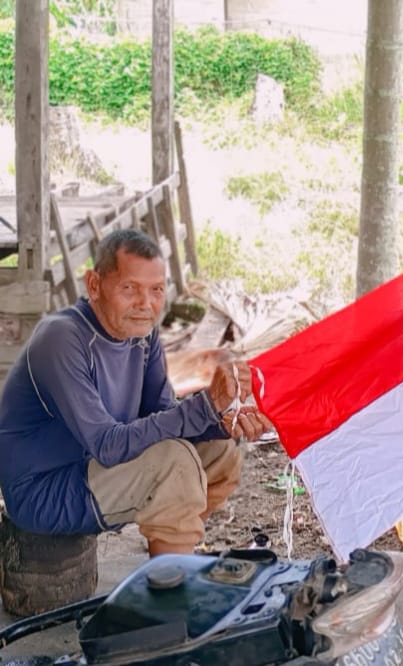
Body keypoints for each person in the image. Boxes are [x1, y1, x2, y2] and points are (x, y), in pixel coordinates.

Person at [0, 229, 271, 557]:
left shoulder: (142, 335)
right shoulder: (62, 338)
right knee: (174, 462)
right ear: (95, 286)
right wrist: (204, 405)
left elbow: (164, 416)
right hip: (43, 491)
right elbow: (107, 446)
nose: (146, 304)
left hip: (93, 474)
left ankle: (171, 556)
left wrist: (223, 418)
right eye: (130, 288)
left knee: (220, 450)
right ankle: (169, 596)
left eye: (156, 290)